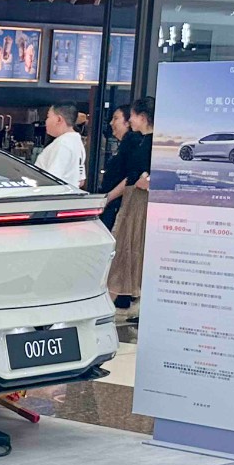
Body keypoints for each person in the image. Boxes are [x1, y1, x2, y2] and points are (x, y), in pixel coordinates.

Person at [106, 97, 155, 310]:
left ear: (142, 117)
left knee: (130, 247)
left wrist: (148, 181)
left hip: (140, 201)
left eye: (133, 116)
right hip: (132, 198)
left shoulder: (152, 143)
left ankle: (117, 301)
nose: (130, 121)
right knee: (125, 247)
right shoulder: (141, 140)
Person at [96, 108, 135, 229]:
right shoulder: (123, 144)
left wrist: (108, 197)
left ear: (128, 122)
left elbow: (131, 176)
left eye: (116, 118)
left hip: (117, 204)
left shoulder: (131, 144)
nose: (111, 123)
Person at [34, 102, 87, 186]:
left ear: (59, 119)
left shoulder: (63, 144)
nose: (46, 121)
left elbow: (52, 180)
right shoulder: (77, 142)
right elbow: (80, 181)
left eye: (48, 117)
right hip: (69, 192)